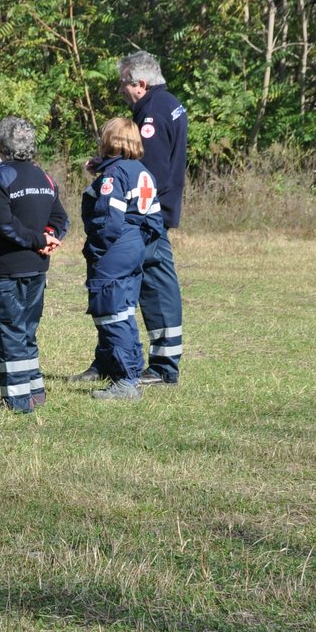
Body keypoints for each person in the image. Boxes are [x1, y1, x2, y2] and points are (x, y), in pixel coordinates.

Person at [0, 117, 68, 413]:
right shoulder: (44, 176)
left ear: (0, 145)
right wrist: (48, 238)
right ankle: (34, 392)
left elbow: (4, 224)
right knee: (26, 331)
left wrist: (39, 238)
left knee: (8, 334)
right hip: (37, 267)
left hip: (7, 269)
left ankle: (17, 402)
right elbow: (61, 219)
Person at [81, 118, 168, 400]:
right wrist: (135, 243)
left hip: (114, 248)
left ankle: (126, 381)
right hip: (134, 247)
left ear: (111, 141)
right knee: (124, 312)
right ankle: (128, 371)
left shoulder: (114, 175)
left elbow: (108, 221)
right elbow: (155, 222)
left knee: (110, 311)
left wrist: (97, 250)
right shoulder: (143, 172)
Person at [121, 50, 186, 385]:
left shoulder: (152, 114)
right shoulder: (168, 102)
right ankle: (114, 357)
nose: (122, 91)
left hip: (149, 214)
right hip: (157, 210)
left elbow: (152, 172)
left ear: (141, 84)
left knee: (156, 286)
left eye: (125, 84)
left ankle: (163, 367)